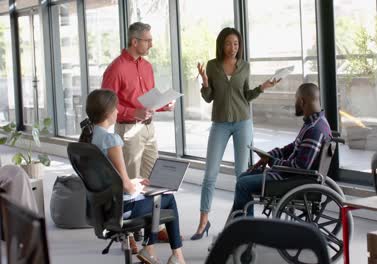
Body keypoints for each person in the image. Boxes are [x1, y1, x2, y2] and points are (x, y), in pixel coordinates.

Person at [192, 27, 279, 240]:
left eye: (236, 44)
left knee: (242, 175)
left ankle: (242, 221)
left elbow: (246, 95)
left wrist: (263, 87)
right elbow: (208, 97)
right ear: (221, 44)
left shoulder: (245, 67)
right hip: (220, 124)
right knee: (210, 175)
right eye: (229, 43)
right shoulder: (212, 66)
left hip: (243, 123)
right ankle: (203, 222)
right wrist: (204, 82)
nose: (233, 48)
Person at [79, 89, 185, 264]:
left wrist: (134, 182)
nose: (118, 111)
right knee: (167, 198)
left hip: (102, 209)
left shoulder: (89, 138)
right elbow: (126, 187)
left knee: (155, 197)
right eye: (115, 108)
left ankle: (151, 251)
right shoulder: (111, 140)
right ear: (107, 113)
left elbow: (112, 178)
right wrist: (137, 186)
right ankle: (176, 257)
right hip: (122, 208)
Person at [101, 21, 174, 250]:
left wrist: (163, 106)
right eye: (147, 40)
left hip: (149, 128)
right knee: (130, 182)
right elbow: (106, 105)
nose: (151, 44)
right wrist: (133, 112)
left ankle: (155, 228)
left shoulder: (148, 66)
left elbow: (148, 101)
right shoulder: (115, 69)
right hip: (128, 129)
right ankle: (128, 237)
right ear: (135, 41)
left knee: (154, 180)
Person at [231, 83, 332, 217]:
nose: (294, 103)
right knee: (243, 177)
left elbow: (301, 167)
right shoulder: (316, 123)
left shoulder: (314, 130)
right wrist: (269, 155)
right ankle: (238, 225)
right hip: (291, 175)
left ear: (302, 101)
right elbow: (292, 147)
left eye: (295, 99)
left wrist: (273, 162)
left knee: (243, 184)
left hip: (290, 179)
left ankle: (244, 228)